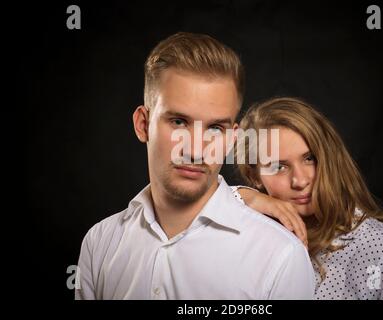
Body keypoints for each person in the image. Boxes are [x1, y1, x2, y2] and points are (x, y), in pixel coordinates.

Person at [75, 33, 315, 300]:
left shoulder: (281, 257)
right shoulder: (99, 242)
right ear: (143, 125)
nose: (195, 149)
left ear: (232, 139)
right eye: (178, 122)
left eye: (214, 128)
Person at [232, 96, 383, 299]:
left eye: (310, 159)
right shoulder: (243, 231)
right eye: (278, 167)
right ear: (253, 175)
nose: (300, 181)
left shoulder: (377, 246)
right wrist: (247, 197)